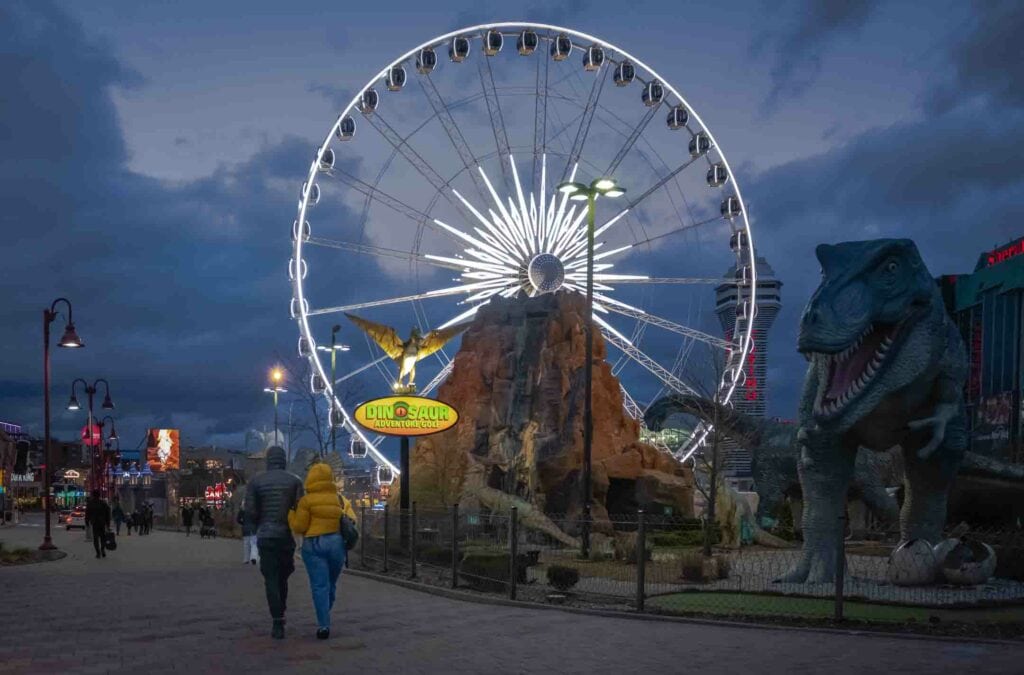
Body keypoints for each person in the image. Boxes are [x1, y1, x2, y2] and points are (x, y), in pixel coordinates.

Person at [288, 463, 355, 640]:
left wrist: (290, 515)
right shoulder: (338, 499)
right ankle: (326, 609)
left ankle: (323, 625)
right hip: (335, 543)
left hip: (314, 544)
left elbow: (300, 527)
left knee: (319, 586)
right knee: (331, 584)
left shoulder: (306, 501)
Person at [244, 446, 302, 639]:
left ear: (268, 460)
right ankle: (281, 609)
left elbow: (250, 513)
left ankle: (277, 621)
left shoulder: (256, 482)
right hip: (285, 536)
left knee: (270, 579)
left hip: (266, 536)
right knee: (283, 577)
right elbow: (301, 510)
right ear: (284, 459)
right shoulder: (295, 481)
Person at [84, 490, 111, 559]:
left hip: (94, 523)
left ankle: (98, 553)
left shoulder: (90, 503)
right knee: (103, 537)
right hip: (102, 523)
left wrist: (87, 521)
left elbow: (87, 513)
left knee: (95, 538)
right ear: (99, 495)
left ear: (93, 495)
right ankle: (102, 549)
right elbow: (108, 513)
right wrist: (108, 523)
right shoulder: (103, 503)